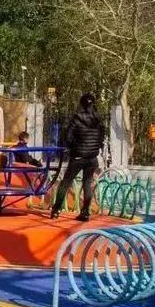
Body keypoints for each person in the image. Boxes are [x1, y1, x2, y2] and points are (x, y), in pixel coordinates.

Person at [51, 93, 106, 221]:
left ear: (81, 104)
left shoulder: (76, 118)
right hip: (92, 158)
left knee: (65, 183)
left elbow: (68, 137)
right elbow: (101, 138)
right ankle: (85, 213)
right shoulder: (98, 120)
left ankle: (56, 210)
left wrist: (73, 147)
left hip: (77, 157)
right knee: (87, 184)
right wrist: (94, 147)